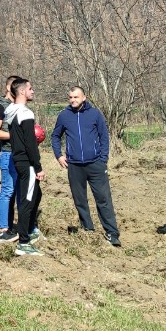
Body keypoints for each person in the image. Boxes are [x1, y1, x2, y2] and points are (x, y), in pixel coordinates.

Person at [51, 86, 121, 247]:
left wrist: (103, 158)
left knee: (103, 199)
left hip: (96, 164)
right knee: (80, 200)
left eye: (76, 97)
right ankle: (88, 230)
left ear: (84, 97)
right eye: (70, 97)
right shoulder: (64, 116)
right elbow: (55, 136)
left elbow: (104, 136)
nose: (73, 100)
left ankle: (112, 233)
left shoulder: (95, 114)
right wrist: (59, 155)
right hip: (74, 166)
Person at [5, 77, 44, 257]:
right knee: (27, 201)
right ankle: (24, 242)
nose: (32, 91)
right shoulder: (26, 113)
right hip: (27, 163)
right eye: (30, 88)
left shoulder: (11, 112)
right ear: (21, 91)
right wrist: (38, 167)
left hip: (17, 160)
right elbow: (31, 144)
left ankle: (27, 232)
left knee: (33, 196)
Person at [0, 75, 22, 244]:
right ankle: (4, 230)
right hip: (8, 153)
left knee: (18, 192)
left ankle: (16, 227)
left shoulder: (17, 106)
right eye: (13, 86)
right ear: (8, 87)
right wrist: (17, 136)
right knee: (7, 191)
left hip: (20, 155)